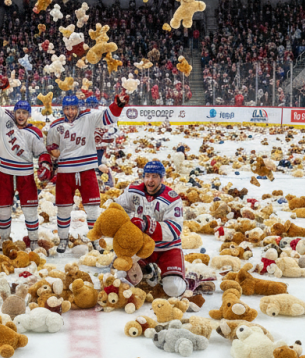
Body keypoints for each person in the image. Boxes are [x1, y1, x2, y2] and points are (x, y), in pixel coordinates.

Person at [46, 92, 128, 253]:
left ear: (78, 108)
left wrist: (118, 104)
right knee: (63, 208)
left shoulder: (89, 118)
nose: (70, 112)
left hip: (87, 170)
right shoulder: (55, 126)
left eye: (73, 108)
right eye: (67, 109)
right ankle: (63, 239)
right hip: (65, 172)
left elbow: (108, 117)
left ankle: (95, 239)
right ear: (62, 109)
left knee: (92, 208)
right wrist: (50, 160)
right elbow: (51, 148)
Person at [0, 75, 52, 249]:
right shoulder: (4, 119)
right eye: (18, 112)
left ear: (29, 114)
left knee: (30, 209)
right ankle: (5, 239)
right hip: (4, 172)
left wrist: (44, 164)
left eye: (24, 113)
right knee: (3, 209)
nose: (21, 116)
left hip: (25, 175)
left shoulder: (34, 132)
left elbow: (41, 152)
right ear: (14, 112)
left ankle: (33, 240)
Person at [114, 160, 205, 297]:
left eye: (155, 176)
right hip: (142, 248)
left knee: (173, 288)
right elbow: (119, 209)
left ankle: (189, 282)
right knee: (121, 276)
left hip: (167, 249)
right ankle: (150, 273)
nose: (150, 180)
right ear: (143, 176)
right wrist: (126, 226)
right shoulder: (133, 191)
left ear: (162, 178)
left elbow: (175, 230)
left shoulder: (172, 198)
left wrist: (147, 225)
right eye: (147, 176)